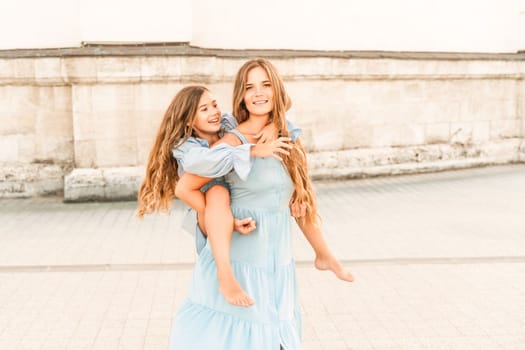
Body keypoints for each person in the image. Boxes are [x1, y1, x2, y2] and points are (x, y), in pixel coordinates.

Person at [169, 58, 353, 350]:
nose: (258, 93)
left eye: (266, 85)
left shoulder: (288, 136)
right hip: (242, 259)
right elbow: (185, 186)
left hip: (278, 261)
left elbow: (298, 206)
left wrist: (324, 253)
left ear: (276, 90)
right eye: (249, 87)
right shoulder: (231, 141)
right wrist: (224, 217)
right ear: (241, 96)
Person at [137, 85, 291, 307]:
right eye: (204, 109)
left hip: (227, 207)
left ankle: (228, 224)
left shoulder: (227, 125)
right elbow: (203, 164)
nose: (214, 112)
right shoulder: (185, 146)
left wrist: (273, 124)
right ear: (189, 121)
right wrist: (252, 150)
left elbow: (284, 102)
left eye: (215, 105)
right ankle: (225, 276)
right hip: (202, 206)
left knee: (222, 196)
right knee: (216, 192)